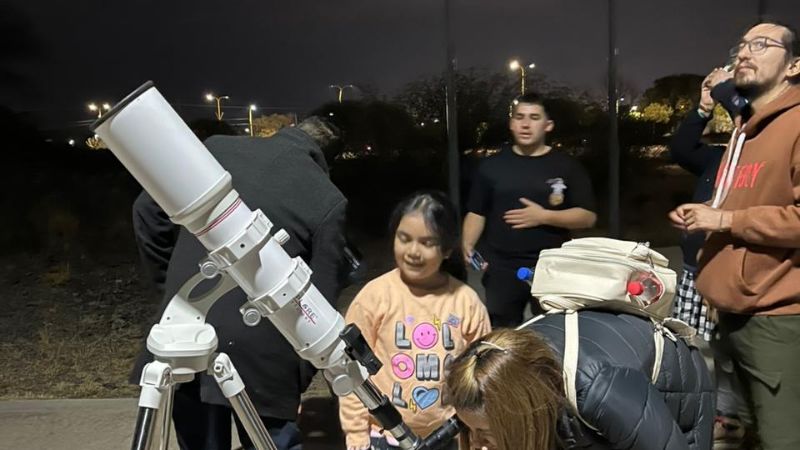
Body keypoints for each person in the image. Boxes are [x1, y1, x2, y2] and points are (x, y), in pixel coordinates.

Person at [131, 118, 348, 450]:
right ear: (327, 158)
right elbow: (322, 294)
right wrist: (299, 374)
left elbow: (146, 210)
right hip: (267, 351)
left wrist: (172, 288)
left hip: (185, 332)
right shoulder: (328, 197)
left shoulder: (215, 149)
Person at [669, 20, 800, 450]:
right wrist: (707, 218)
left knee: (783, 439)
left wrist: (723, 220)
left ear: (795, 65)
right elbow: (740, 204)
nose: (744, 52)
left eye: (761, 45)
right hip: (734, 314)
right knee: (749, 435)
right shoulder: (747, 129)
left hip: (777, 320)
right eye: (741, 45)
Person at [339, 191, 491, 450]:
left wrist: (481, 433)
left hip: (450, 437)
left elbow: (483, 373)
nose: (413, 251)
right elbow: (350, 368)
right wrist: (356, 432)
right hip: (384, 436)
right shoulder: (374, 297)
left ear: (447, 249)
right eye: (404, 238)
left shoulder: (466, 301)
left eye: (427, 243)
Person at [444, 316, 714, 450]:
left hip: (675, 390)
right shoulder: (513, 362)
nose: (476, 443)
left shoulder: (601, 390)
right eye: (469, 429)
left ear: (518, 411)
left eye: (483, 431)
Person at [462, 93, 597, 327]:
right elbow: (476, 212)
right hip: (502, 267)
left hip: (551, 265)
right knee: (503, 335)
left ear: (548, 125)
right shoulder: (491, 166)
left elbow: (588, 217)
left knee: (553, 332)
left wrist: (544, 216)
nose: (526, 124)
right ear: (511, 123)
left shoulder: (567, 166)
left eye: (534, 117)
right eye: (520, 117)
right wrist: (467, 244)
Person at [669, 68, 750, 449]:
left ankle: (730, 419)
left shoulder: (757, 159)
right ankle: (697, 414)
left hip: (731, 268)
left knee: (729, 352)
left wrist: (723, 89)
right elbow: (682, 149)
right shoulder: (720, 157)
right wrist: (702, 107)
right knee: (689, 347)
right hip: (694, 269)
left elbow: (749, 117)